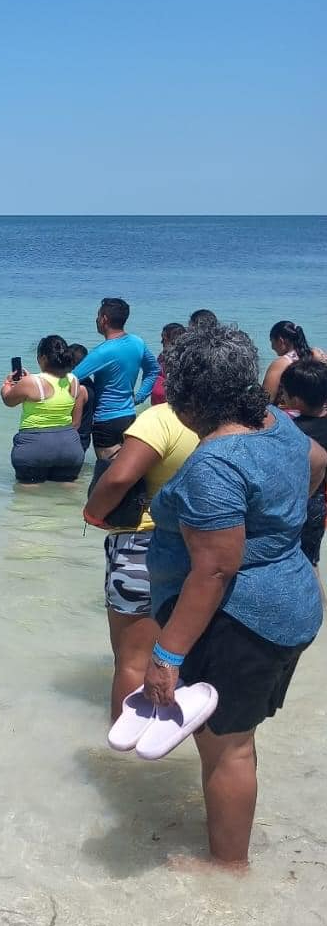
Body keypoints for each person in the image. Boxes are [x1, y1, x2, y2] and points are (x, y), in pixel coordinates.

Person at [140, 324, 326, 868]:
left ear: (188, 397)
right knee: (236, 737)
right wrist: (276, 532)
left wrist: (166, 656)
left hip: (241, 620)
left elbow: (215, 571)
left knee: (229, 746)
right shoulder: (279, 427)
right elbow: (317, 460)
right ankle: (228, 847)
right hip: (290, 599)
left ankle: (226, 868)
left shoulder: (215, 463)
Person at [83, 404, 199, 721]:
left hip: (144, 543)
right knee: (184, 655)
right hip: (202, 546)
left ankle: (124, 757)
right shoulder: (235, 421)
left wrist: (92, 514)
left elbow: (118, 479)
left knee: (133, 660)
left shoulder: (162, 417)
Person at [71, 297, 158, 457]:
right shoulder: (138, 342)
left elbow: (72, 377)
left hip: (105, 421)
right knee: (125, 473)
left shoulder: (102, 352)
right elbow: (153, 370)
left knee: (106, 473)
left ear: (104, 319)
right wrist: (139, 397)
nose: (96, 320)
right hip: (129, 417)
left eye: (98, 316)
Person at [0, 336, 88, 484]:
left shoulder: (30, 382)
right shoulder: (74, 379)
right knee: (67, 495)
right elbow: (75, 421)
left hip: (34, 448)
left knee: (28, 497)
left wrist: (7, 384)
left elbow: (8, 400)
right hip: (69, 447)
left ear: (43, 358)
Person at [280, 359, 327, 568]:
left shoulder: (291, 431)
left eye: (284, 392)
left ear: (296, 400)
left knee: (291, 563)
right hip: (320, 505)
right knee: (310, 564)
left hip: (299, 503)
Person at [262, 320, 327, 402]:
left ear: (281, 340)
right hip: (314, 410)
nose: (272, 347)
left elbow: (265, 399)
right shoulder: (316, 355)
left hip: (287, 413)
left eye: (272, 342)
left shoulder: (281, 363)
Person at [68, 343, 96, 454]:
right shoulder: (89, 382)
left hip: (76, 438)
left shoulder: (79, 388)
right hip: (83, 437)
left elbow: (75, 424)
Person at [148, 322, 185, 406]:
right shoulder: (162, 355)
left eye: (164, 339)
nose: (161, 342)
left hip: (171, 406)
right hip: (158, 405)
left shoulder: (183, 360)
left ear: (173, 340)